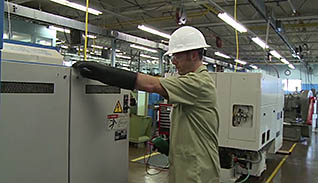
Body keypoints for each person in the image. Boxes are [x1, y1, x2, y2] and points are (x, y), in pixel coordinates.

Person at [73, 26, 220, 183]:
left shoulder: (199, 83)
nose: (173, 61)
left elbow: (150, 85)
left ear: (193, 55)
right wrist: (171, 145)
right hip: (186, 168)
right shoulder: (190, 83)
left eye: (177, 55)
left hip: (198, 172)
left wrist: (103, 73)